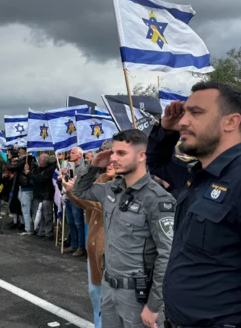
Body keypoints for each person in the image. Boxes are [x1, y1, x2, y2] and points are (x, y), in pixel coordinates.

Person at [147, 81, 241, 328]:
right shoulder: (197, 174)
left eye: (196, 113)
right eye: (184, 113)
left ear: (231, 122)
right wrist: (165, 130)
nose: (183, 121)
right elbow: (157, 163)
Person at [72, 129, 175, 328]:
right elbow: (79, 191)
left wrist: (154, 306)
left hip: (138, 296)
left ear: (141, 156)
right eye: (113, 153)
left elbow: (167, 256)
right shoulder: (112, 189)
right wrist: (93, 166)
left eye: (121, 153)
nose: (113, 158)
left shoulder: (157, 199)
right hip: (109, 288)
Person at [64, 161, 116, 328]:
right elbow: (83, 203)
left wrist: (75, 191)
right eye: (109, 159)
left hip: (109, 249)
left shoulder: (124, 186)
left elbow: (99, 204)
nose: (110, 162)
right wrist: (71, 193)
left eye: (117, 156)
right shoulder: (101, 179)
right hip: (94, 247)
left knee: (107, 298)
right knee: (95, 294)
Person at [25, 153, 56, 240]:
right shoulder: (39, 168)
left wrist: (29, 174)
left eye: (40, 160)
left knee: (47, 214)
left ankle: (48, 233)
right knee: (41, 215)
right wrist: (29, 171)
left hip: (47, 195)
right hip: (40, 194)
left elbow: (40, 179)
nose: (38, 161)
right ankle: (41, 231)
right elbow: (35, 176)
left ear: (43, 161)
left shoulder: (50, 169)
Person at [65, 147, 87, 256]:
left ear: (79, 155)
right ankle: (74, 244)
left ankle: (81, 247)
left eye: (73, 153)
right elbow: (68, 180)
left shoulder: (84, 167)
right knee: (71, 222)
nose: (70, 155)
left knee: (79, 223)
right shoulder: (70, 165)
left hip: (77, 198)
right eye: (70, 153)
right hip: (69, 197)